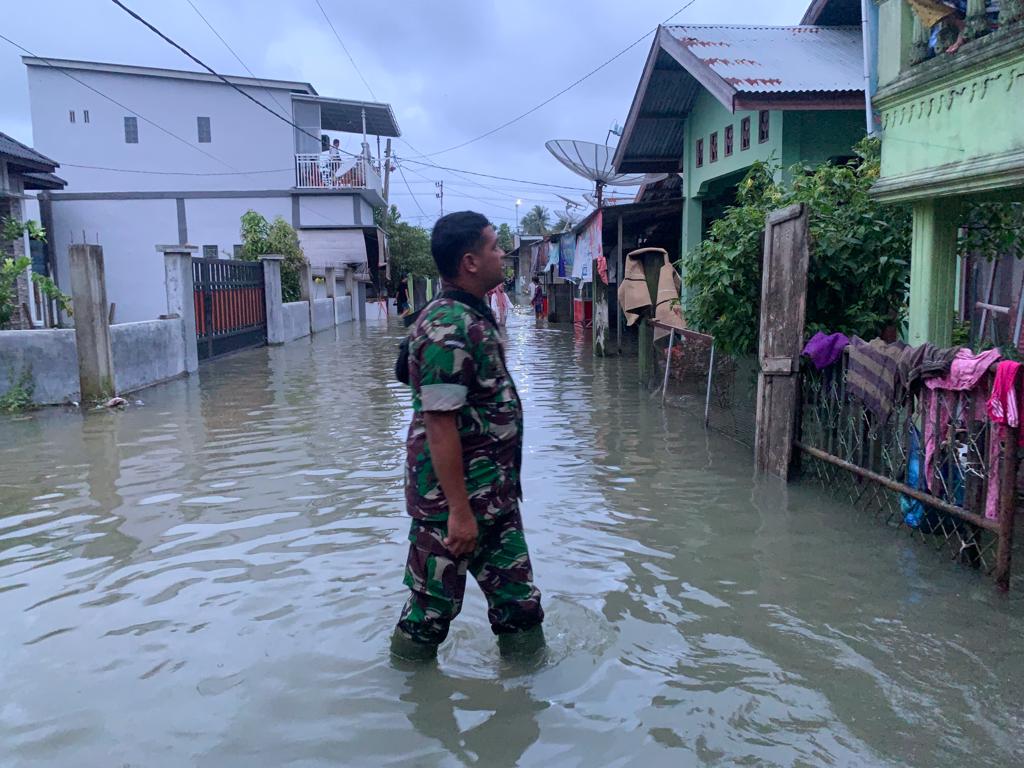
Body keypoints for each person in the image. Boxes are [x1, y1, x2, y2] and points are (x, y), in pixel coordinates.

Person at [392, 211, 544, 660]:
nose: (503, 253)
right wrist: (459, 513)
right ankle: (407, 691)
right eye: (494, 246)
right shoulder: (446, 327)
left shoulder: (472, 314)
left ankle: (526, 693)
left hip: (493, 499)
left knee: (520, 608)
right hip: (451, 506)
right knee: (429, 616)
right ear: (470, 262)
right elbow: (439, 424)